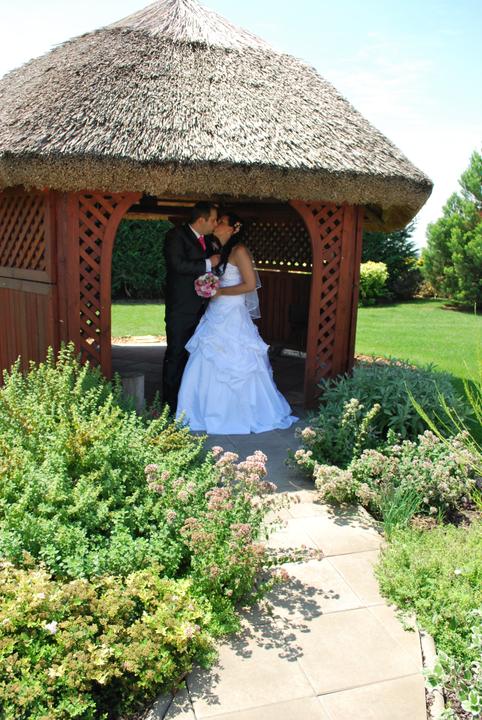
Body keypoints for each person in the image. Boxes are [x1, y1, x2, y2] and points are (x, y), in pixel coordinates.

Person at [176, 213, 298, 434]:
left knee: (237, 363)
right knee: (205, 357)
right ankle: (201, 411)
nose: (217, 224)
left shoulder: (239, 251)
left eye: (222, 222)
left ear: (234, 228)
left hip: (232, 314)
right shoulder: (218, 250)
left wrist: (220, 291)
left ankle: (238, 414)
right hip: (215, 313)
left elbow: (250, 285)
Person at [162, 202, 221, 413]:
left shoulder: (209, 240)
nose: (215, 224)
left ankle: (190, 403)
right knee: (176, 354)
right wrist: (208, 263)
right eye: (213, 220)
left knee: (196, 357)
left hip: (204, 309)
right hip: (181, 307)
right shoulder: (176, 236)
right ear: (201, 220)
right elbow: (177, 264)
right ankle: (169, 406)